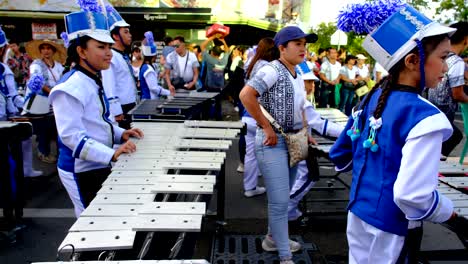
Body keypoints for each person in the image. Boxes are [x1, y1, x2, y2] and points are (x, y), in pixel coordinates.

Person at [331, 3, 462, 263]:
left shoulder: (373, 96)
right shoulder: (426, 117)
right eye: (444, 57)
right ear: (413, 61)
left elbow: (341, 153)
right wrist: (453, 216)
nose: (446, 68)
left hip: (357, 213)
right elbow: (411, 196)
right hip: (394, 228)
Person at [49, 1, 143, 217]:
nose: (109, 53)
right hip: (80, 168)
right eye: (101, 47)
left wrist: (121, 134)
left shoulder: (91, 78)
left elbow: (99, 121)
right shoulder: (69, 88)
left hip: (98, 162)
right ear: (81, 51)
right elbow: (72, 137)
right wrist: (112, 153)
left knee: (105, 216)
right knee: (89, 221)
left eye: (109, 46)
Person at [240, 26, 319, 264]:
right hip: (272, 142)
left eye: (304, 44)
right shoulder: (272, 69)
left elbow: (301, 107)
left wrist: (306, 132)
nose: (303, 48)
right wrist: (265, 126)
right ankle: (285, 256)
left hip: (292, 142)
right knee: (280, 201)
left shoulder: (297, 71)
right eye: (297, 44)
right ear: (282, 48)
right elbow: (246, 95)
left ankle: (273, 238)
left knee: (283, 197)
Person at [288, 64, 343, 221]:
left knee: (296, 177)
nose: (312, 86)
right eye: (309, 82)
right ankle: (286, 210)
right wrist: (349, 131)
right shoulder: (302, 102)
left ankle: (288, 210)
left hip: (289, 140)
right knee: (309, 176)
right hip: (297, 141)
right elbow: (323, 127)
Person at [241, 37, 279, 197]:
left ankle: (249, 187)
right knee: (273, 153)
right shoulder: (267, 67)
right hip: (260, 116)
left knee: (251, 154)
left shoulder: (252, 63)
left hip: (247, 115)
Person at [427, 21, 468, 159]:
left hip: (433, 108)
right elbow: (457, 94)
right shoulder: (457, 62)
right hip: (444, 113)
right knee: (453, 136)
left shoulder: (443, 58)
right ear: (466, 39)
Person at [24, 38, 65, 163]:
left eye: (48, 48)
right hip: (41, 101)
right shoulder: (36, 64)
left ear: (53, 51)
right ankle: (43, 152)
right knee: (44, 129)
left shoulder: (58, 66)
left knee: (57, 128)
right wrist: (53, 92)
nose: (46, 51)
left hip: (56, 101)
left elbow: (63, 80)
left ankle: (60, 153)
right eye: (43, 48)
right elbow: (38, 82)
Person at [101, 5, 137, 129]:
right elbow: (109, 84)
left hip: (131, 105)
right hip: (122, 108)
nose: (130, 35)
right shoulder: (111, 56)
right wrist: (116, 110)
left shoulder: (122, 55)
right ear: (115, 36)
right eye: (125, 32)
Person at [139, 31, 172, 100]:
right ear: (154, 56)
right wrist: (169, 92)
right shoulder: (148, 68)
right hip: (148, 101)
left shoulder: (146, 66)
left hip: (148, 100)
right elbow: (154, 88)